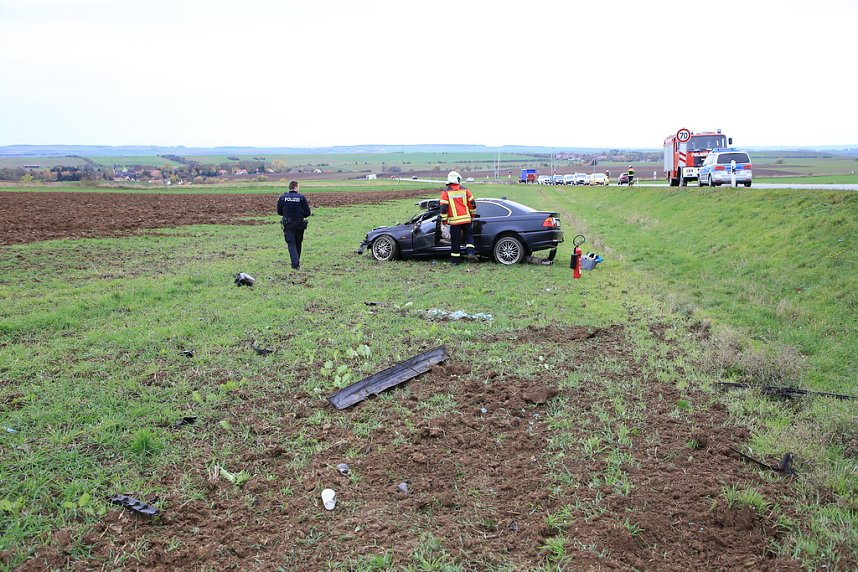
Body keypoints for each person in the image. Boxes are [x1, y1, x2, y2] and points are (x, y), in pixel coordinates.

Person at [440, 171, 478, 263]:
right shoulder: (465, 190)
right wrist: (472, 215)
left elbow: (443, 209)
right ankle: (470, 253)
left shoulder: (445, 192)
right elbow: (473, 204)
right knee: (469, 238)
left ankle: (455, 260)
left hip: (455, 222)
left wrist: (444, 221)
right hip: (467, 220)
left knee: (455, 241)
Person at [276, 181, 311, 270]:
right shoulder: (301, 197)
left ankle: (295, 264)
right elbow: (307, 213)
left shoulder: (283, 198)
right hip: (299, 224)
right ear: (296, 187)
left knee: (291, 244)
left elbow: (279, 212)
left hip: (288, 224)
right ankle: (296, 264)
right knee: (298, 243)